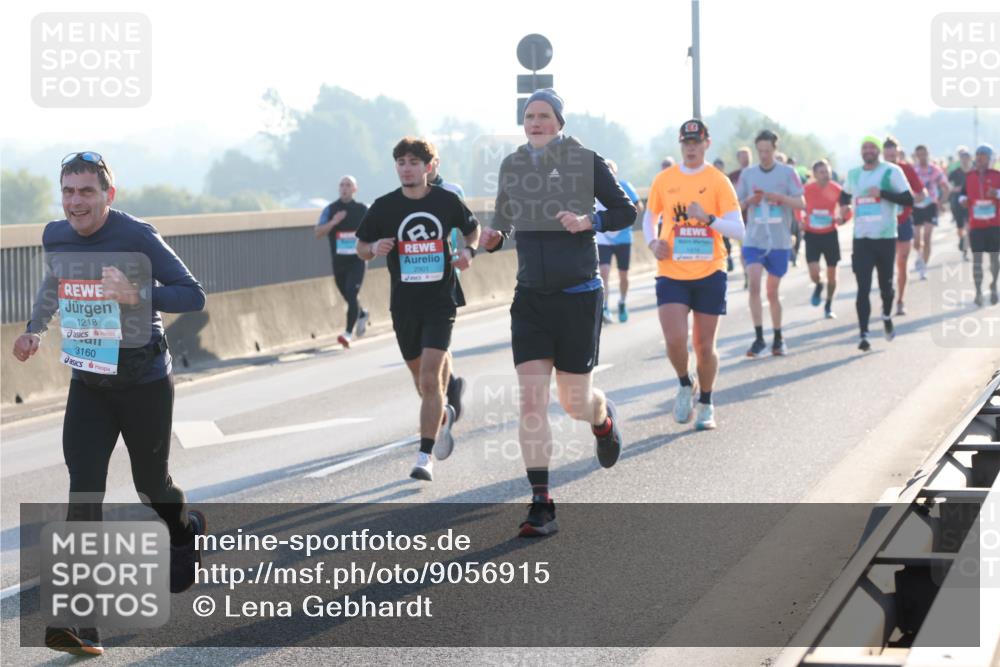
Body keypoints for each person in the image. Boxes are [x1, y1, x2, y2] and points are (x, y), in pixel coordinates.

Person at [12, 152, 207, 656]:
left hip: (144, 380)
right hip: (89, 382)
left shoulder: (137, 235)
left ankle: (184, 529)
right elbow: (55, 283)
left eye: (86, 191)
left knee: (151, 487)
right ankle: (79, 623)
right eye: (68, 191)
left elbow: (193, 295)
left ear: (108, 195)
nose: (75, 202)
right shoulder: (55, 235)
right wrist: (35, 329)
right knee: (84, 493)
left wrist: (137, 292)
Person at [480, 89, 634, 537]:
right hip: (530, 298)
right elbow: (505, 217)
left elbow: (627, 210)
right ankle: (542, 503)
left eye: (544, 115)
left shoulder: (585, 161)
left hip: (578, 295)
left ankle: (602, 421)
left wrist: (591, 222)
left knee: (574, 402)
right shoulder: (513, 165)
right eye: (529, 116)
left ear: (560, 122)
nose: (535, 122)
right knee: (531, 401)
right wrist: (494, 236)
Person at [355, 138, 480, 482]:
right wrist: (373, 248)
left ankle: (425, 456)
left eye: (413, 162)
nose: (406, 168)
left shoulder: (446, 201)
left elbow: (472, 231)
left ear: (428, 166)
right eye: (401, 162)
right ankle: (444, 410)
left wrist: (468, 252)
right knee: (423, 383)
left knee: (429, 377)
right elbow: (360, 247)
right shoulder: (384, 207)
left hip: (441, 300)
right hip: (404, 305)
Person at [644, 119, 745, 430]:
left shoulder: (718, 181)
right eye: (686, 143)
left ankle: (707, 402)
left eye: (696, 142)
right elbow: (650, 216)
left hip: (709, 271)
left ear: (706, 144)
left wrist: (708, 218)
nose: (690, 148)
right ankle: (685, 383)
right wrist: (652, 242)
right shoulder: (665, 179)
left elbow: (739, 230)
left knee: (703, 346)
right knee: (675, 340)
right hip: (672, 270)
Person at [840, 137, 914, 351]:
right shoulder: (854, 174)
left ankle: (886, 315)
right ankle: (863, 334)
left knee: (886, 287)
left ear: (878, 151)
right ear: (861, 152)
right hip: (861, 238)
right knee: (862, 287)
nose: (869, 150)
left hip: (885, 237)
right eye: (865, 147)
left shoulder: (891, 172)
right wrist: (844, 207)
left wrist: (882, 194)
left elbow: (908, 199)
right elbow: (844, 195)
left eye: (872, 147)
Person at [736, 130, 805, 356]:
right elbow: (735, 206)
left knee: (772, 292)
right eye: (760, 151)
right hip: (754, 239)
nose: (764, 155)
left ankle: (778, 337)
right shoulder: (748, 174)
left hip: (779, 241)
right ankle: (758, 338)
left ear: (775, 149)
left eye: (767, 151)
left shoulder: (787, 173)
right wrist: (750, 201)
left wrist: (780, 198)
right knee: (754, 285)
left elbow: (801, 203)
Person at [427, 154, 469, 422]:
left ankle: (449, 388)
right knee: (427, 340)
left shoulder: (452, 190)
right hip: (417, 274)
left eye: (426, 161)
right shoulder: (407, 193)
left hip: (446, 270)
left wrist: (467, 251)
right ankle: (451, 384)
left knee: (437, 337)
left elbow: (467, 226)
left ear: (435, 163)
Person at [315, 175, 370, 348]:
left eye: (348, 185)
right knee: (347, 295)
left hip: (358, 260)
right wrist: (334, 222)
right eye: (342, 185)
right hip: (339, 262)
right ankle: (362, 314)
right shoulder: (330, 209)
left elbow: (375, 229)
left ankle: (347, 334)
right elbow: (318, 232)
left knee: (352, 294)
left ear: (355, 189)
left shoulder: (362, 209)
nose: (344, 188)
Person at [883, 137, 927, 316]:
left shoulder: (906, 169)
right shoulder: (877, 171)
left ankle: (900, 300)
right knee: (886, 265)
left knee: (902, 261)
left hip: (903, 221)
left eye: (893, 156)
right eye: (888, 156)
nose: (891, 159)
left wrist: (911, 199)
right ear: (883, 154)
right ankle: (887, 298)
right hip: (883, 225)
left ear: (898, 153)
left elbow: (922, 193)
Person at [596, 158, 643, 323]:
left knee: (624, 275)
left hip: (623, 237)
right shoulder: (596, 187)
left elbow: (639, 206)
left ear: (615, 173)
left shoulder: (624, 186)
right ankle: (605, 307)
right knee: (604, 272)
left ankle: (622, 302)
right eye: (605, 170)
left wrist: (625, 219)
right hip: (603, 238)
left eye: (611, 170)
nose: (608, 173)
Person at [802, 159, 850, 318]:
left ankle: (828, 305)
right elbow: (797, 206)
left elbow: (847, 209)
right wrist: (800, 221)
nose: (825, 175)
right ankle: (818, 284)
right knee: (814, 272)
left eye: (827, 172)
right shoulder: (807, 190)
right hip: (812, 234)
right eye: (822, 172)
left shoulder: (836, 189)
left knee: (832, 273)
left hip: (830, 234)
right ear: (815, 174)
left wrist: (843, 219)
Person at [959, 144, 1000, 306]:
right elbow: (962, 195)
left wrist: (996, 193)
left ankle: (994, 285)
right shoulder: (969, 176)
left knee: (994, 259)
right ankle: (978, 291)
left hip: (994, 224)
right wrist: (963, 201)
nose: (980, 160)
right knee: (977, 260)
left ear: (990, 159)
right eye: (978, 157)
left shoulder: (997, 175)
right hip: (976, 225)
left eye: (983, 157)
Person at [911, 144, 951, 280]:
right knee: (916, 240)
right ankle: (919, 255)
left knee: (927, 238)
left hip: (930, 205)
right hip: (916, 206)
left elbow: (946, 187)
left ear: (928, 154)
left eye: (924, 154)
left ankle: (923, 267)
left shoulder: (935, 170)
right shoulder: (913, 170)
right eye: (919, 155)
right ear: (916, 156)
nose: (922, 157)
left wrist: (941, 202)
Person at [949, 147, 974, 261]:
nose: (965, 159)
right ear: (960, 159)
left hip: (970, 202)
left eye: (967, 157)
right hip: (956, 202)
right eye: (963, 157)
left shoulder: (974, 171)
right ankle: (962, 240)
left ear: (970, 158)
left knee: (969, 227)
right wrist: (955, 188)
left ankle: (965, 248)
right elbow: (947, 184)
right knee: (960, 228)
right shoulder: (955, 172)